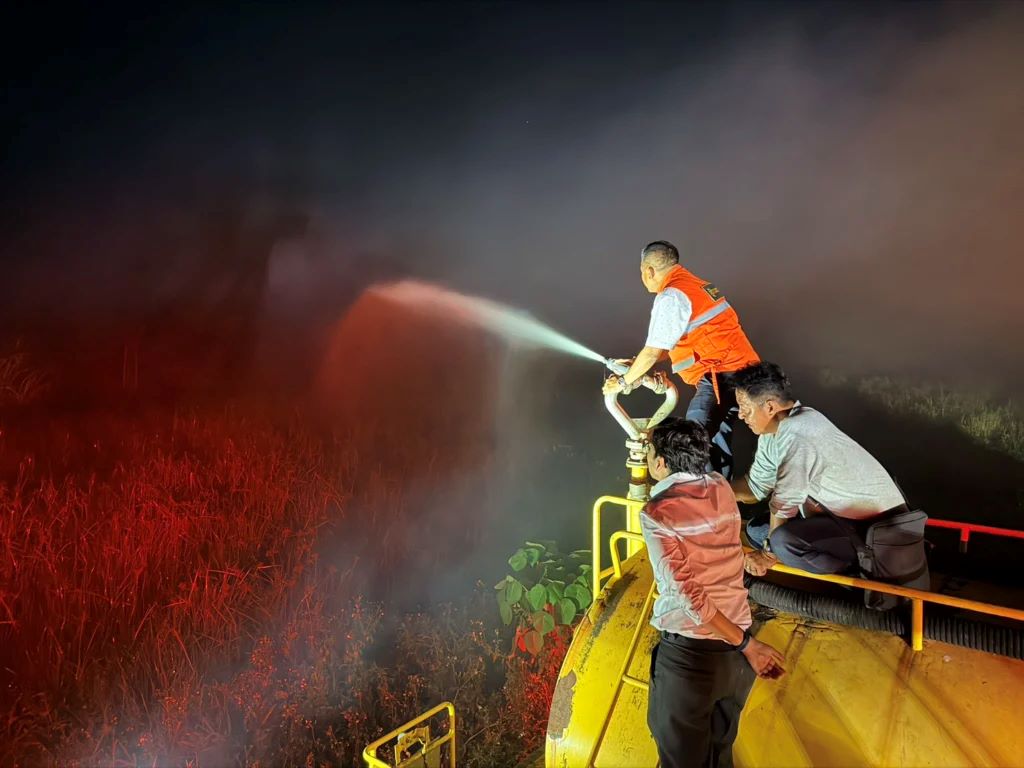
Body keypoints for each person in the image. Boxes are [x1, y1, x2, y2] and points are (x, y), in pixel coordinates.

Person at [641, 417, 785, 768]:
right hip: (733, 664)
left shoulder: (657, 513)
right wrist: (742, 645)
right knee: (720, 758)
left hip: (691, 658)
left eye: (648, 453)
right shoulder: (720, 487)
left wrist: (748, 646)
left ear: (661, 463)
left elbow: (690, 597)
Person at [730, 362, 925, 594]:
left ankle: (855, 576)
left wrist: (768, 554)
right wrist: (707, 487)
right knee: (758, 530)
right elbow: (755, 487)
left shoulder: (799, 433)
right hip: (843, 521)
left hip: (877, 532)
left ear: (770, 406)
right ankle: (832, 563)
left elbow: (784, 503)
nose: (740, 415)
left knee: (781, 541)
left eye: (745, 407)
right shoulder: (773, 433)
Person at [604, 240, 759, 479]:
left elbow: (652, 352)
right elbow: (668, 346)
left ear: (648, 271)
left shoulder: (671, 296)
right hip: (740, 372)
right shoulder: (696, 286)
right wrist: (636, 365)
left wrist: (623, 382)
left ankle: (697, 497)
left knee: (691, 441)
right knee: (715, 442)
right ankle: (720, 496)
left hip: (721, 375)